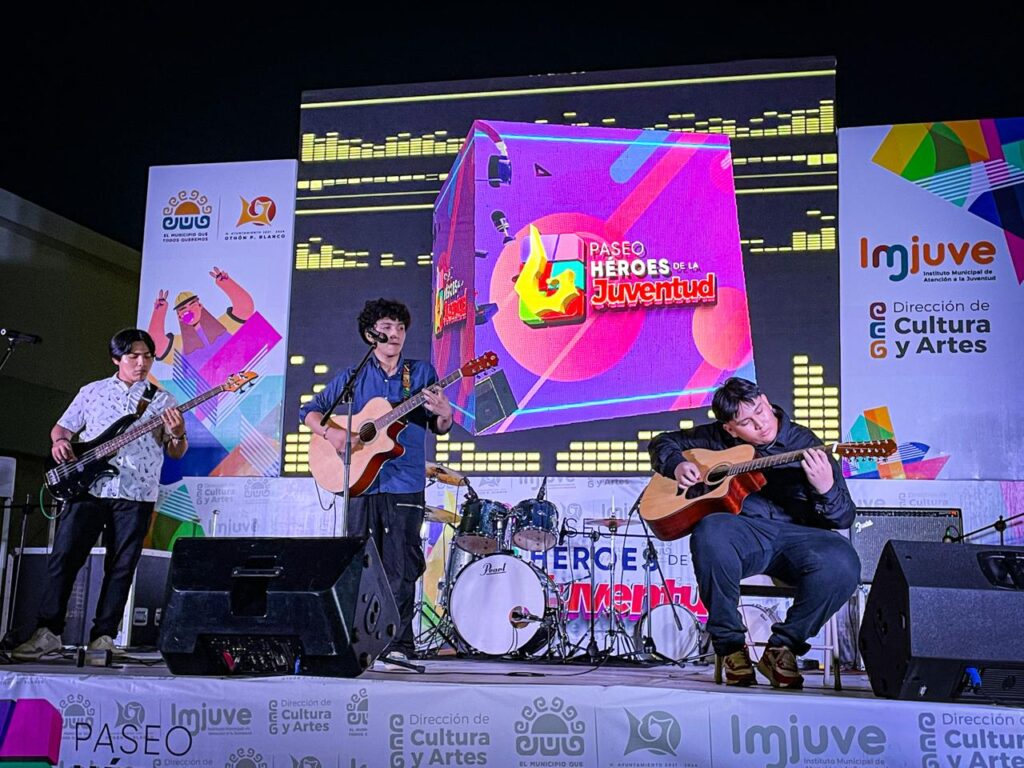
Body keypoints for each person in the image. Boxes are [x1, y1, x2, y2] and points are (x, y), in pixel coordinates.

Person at [648, 377, 858, 689]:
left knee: (843, 561)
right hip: (745, 533)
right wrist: (677, 464)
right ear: (730, 429)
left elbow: (843, 517)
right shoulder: (715, 439)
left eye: (760, 410)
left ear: (766, 400)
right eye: (746, 422)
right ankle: (731, 648)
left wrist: (825, 488)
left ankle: (782, 648)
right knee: (710, 530)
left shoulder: (807, 443)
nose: (761, 424)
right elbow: (662, 442)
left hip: (799, 536)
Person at [14, 329, 187, 660]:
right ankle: (48, 631)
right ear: (116, 359)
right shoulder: (92, 391)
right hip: (88, 487)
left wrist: (177, 433)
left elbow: (176, 451)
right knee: (65, 557)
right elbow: (63, 427)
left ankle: (104, 637)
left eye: (148, 356)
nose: (141, 363)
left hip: (136, 491)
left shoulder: (163, 400)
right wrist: (60, 442)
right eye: (133, 356)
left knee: (121, 566)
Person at [300, 298, 452, 665]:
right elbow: (309, 412)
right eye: (387, 328)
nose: (395, 334)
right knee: (360, 563)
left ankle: (399, 644)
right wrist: (334, 434)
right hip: (360, 482)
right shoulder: (353, 376)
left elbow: (439, 425)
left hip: (405, 481)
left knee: (401, 564)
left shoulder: (420, 373)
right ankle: (359, 640)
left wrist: (445, 413)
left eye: (401, 328)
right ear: (371, 335)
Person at [147, 266, 255, 367]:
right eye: (183, 309)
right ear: (179, 317)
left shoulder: (222, 327)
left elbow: (245, 309)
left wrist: (226, 283)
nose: (189, 311)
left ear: (200, 306)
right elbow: (156, 345)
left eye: (192, 305)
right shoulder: (181, 345)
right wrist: (159, 311)